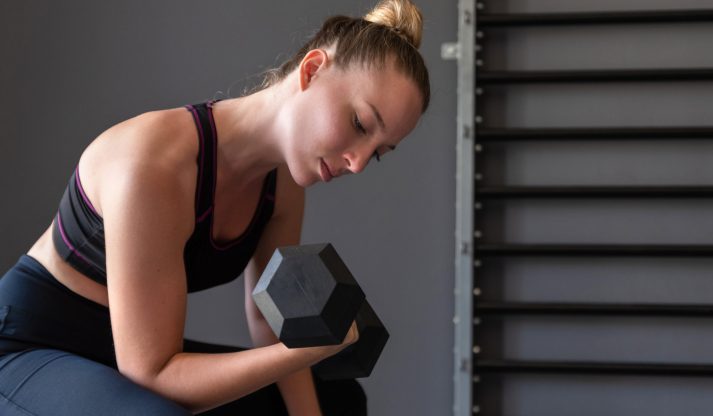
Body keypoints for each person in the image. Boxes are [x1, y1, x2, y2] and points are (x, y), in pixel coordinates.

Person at [0, 0, 430, 414]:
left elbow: (270, 322)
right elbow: (152, 374)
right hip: (30, 347)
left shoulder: (282, 188)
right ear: (313, 70)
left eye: (377, 152)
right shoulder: (153, 165)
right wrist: (313, 347)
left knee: (340, 402)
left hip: (119, 362)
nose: (357, 163)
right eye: (359, 124)